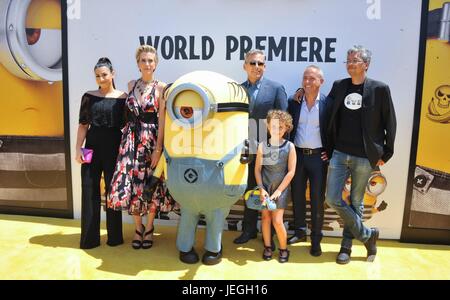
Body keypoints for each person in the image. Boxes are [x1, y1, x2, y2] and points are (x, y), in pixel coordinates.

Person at [325, 45, 397, 264]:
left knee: (357, 201)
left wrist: (387, 152)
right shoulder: (339, 86)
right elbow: (326, 109)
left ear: (366, 64)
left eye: (354, 60)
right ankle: (368, 236)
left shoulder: (379, 89)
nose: (350, 64)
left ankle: (346, 247)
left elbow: (390, 121)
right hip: (339, 152)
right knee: (332, 198)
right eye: (347, 60)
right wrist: (302, 94)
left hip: (365, 156)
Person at [108, 45, 169, 250]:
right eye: (143, 60)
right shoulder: (131, 84)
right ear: (137, 63)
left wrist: (158, 149)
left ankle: (150, 227)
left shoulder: (162, 88)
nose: (147, 64)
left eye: (151, 60)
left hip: (151, 140)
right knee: (131, 183)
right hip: (131, 141)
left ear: (156, 63)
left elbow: (162, 121)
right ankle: (138, 227)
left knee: (151, 184)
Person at [234, 49, 288, 246]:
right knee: (251, 190)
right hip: (246, 151)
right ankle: (248, 231)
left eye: (261, 64)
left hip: (270, 151)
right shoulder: (237, 90)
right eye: (253, 63)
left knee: (270, 191)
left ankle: (270, 236)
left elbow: (284, 122)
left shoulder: (276, 88)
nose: (257, 67)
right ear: (245, 66)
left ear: (265, 66)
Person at [76, 57, 126, 249]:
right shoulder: (88, 96)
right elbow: (82, 126)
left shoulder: (123, 97)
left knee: (112, 192)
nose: (101, 78)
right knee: (89, 189)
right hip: (90, 148)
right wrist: (78, 149)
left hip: (114, 148)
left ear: (112, 74)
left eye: (104, 75)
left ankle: (115, 237)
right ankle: (89, 239)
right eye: (97, 76)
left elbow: (127, 127)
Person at [287, 65, 331, 256]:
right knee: (297, 195)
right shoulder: (294, 102)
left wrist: (331, 150)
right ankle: (299, 232)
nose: (307, 82)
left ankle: (316, 239)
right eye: (305, 78)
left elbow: (336, 129)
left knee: (316, 199)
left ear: (321, 81)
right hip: (297, 156)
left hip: (318, 159)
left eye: (312, 78)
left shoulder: (329, 104)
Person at [255, 110, 296, 263]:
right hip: (265, 187)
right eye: (273, 126)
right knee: (265, 218)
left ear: (286, 127)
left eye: (280, 127)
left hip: (281, 189)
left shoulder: (290, 146)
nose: (276, 129)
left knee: (277, 220)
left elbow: (291, 172)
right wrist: (261, 188)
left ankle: (284, 249)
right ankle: (267, 246)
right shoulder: (262, 146)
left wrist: (279, 190)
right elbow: (257, 170)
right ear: (267, 126)